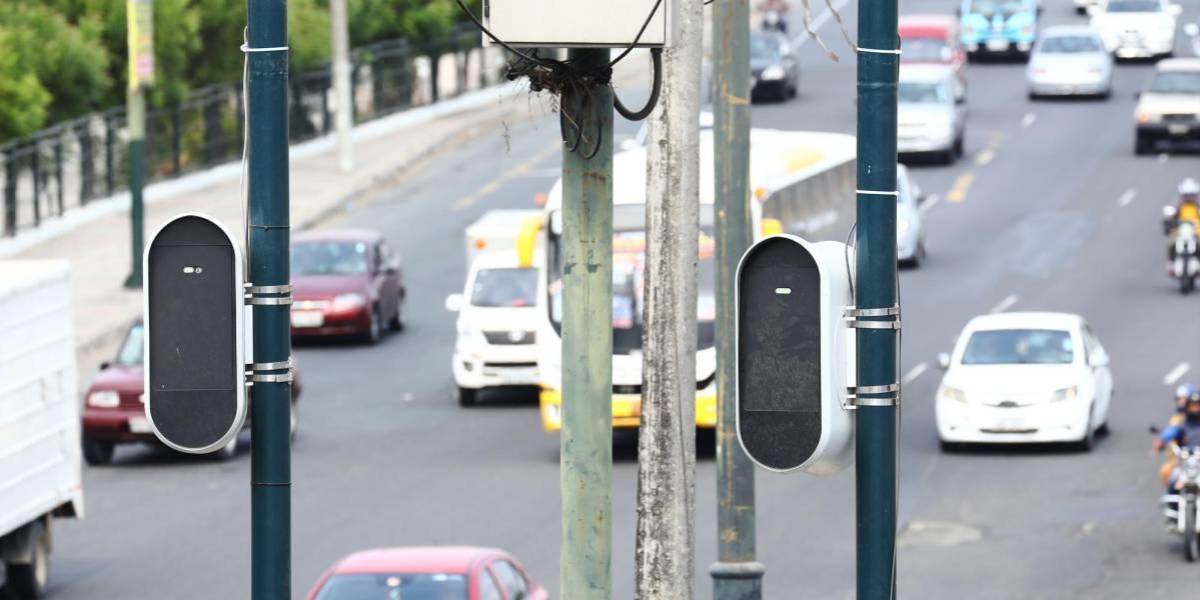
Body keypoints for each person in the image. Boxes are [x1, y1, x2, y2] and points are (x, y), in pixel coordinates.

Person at [1154, 392, 1200, 490]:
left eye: (1198, 406)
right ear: (1187, 408)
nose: (1195, 409)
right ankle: (1171, 502)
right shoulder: (1182, 426)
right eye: (1193, 406)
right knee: (1168, 474)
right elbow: (1169, 433)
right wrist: (1161, 441)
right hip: (1184, 463)